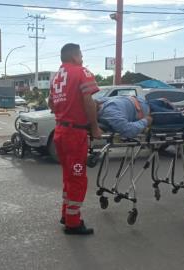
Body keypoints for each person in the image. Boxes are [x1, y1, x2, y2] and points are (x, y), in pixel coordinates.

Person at [49, 43, 102, 235]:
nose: (82, 58)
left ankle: (66, 214)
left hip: (61, 132)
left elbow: (51, 104)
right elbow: (88, 100)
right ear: (73, 56)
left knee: (68, 177)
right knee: (78, 178)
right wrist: (95, 127)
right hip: (74, 135)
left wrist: (66, 110)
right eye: (81, 54)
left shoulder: (56, 76)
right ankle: (73, 222)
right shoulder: (82, 72)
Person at [96, 96, 184, 138]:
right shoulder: (110, 113)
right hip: (151, 113)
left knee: (167, 102)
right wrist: (146, 121)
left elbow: (96, 100)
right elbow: (128, 130)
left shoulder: (101, 102)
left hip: (147, 102)